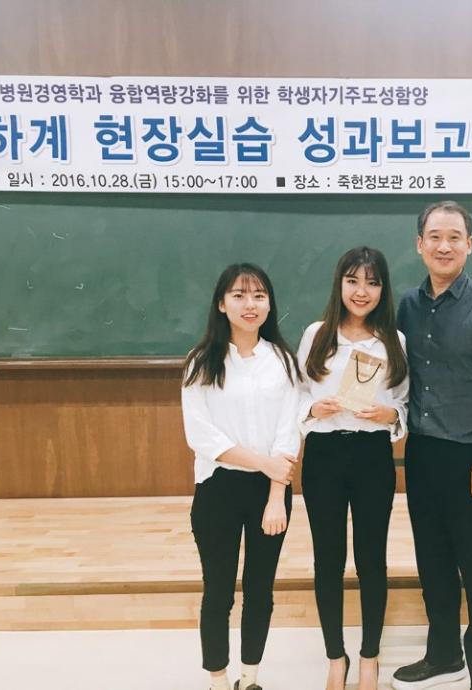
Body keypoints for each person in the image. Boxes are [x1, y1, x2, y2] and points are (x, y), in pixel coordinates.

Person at [392, 200, 472, 690]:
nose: (444, 246)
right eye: (435, 237)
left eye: (454, 237)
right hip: (423, 453)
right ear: (419, 244)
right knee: (433, 562)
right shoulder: (407, 305)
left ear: (469, 244)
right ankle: (443, 654)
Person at [182, 263, 301, 690]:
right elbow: (201, 436)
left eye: (259, 296)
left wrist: (276, 495)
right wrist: (264, 463)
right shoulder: (201, 362)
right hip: (218, 488)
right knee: (218, 591)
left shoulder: (283, 362)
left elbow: (288, 433)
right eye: (239, 295)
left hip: (271, 492)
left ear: (270, 304)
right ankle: (218, 679)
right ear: (222, 304)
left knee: (259, 590)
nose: (250, 305)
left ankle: (249, 678)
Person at [296, 247, 409, 690]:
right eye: (353, 281)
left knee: (371, 559)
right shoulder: (316, 334)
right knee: (328, 559)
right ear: (339, 284)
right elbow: (297, 396)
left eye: (372, 283)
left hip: (372, 457)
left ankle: (369, 656)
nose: (362, 292)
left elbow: (403, 402)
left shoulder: (394, 341)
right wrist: (313, 409)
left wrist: (389, 415)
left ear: (383, 289)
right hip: (323, 455)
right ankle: (335, 656)